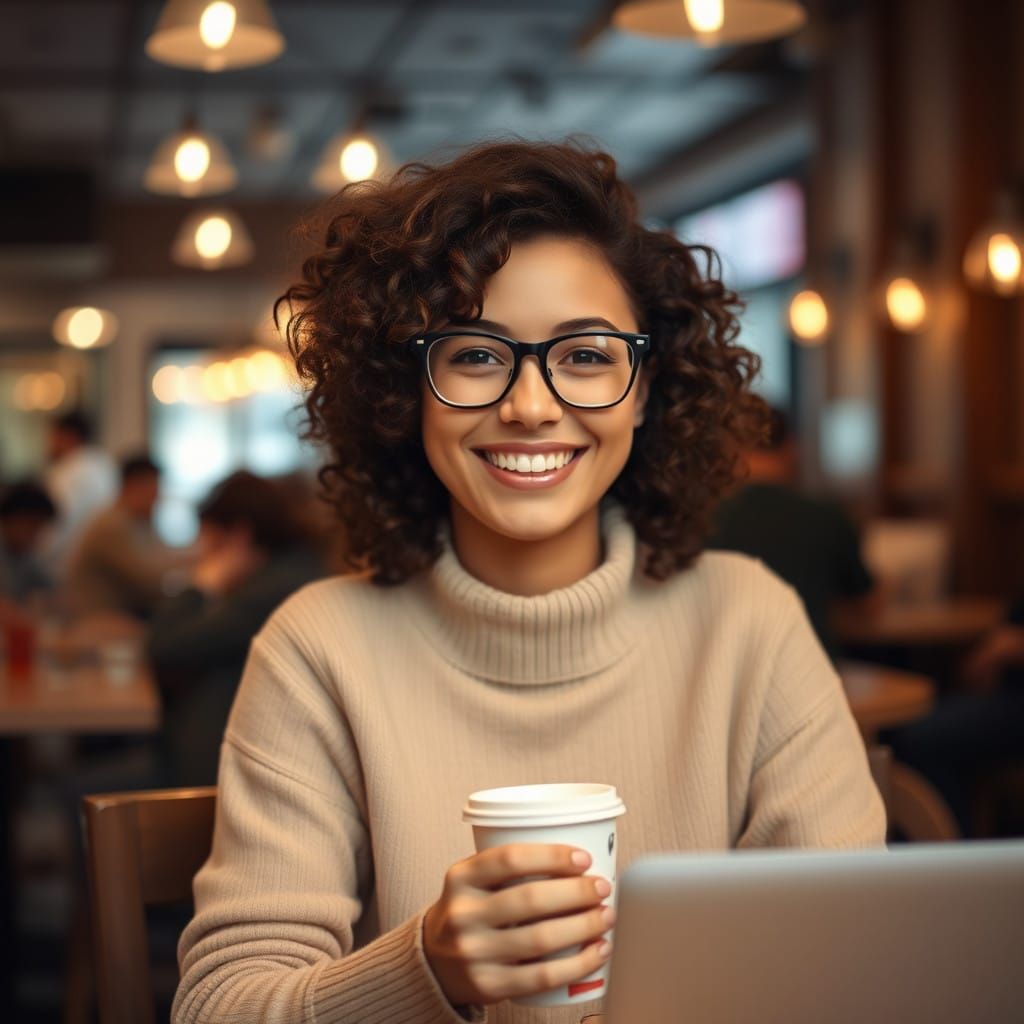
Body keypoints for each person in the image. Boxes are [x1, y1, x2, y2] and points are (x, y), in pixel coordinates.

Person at [173, 141, 884, 1024]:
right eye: (475, 355)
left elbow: (851, 964)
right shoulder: (319, 649)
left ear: (644, 387)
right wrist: (423, 968)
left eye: (586, 355)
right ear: (408, 390)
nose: (532, 406)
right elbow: (221, 1006)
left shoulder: (751, 624)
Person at [147, 471, 324, 787]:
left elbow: (163, 647)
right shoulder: (291, 573)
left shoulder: (274, 591)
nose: (202, 549)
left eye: (208, 537)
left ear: (238, 535)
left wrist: (201, 584)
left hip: (222, 777)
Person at [709, 406, 878, 657]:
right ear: (792, 447)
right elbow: (866, 604)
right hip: (815, 670)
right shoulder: (827, 516)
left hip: (730, 674)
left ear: (733, 449)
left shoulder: (703, 520)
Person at [887, 596, 1024, 835]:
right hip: (1003, 689)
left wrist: (1006, 648)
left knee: (921, 737)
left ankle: (955, 849)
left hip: (1014, 697)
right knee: (915, 730)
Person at [66, 454, 180, 620]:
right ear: (134, 486)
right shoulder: (112, 525)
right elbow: (147, 578)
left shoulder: (140, 520)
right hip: (100, 623)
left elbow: (161, 556)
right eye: (154, 490)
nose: (158, 498)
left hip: (125, 615)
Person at [43, 411, 117, 572]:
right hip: (103, 560)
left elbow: (56, 524)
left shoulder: (67, 472)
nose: (49, 444)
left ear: (68, 436)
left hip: (68, 564)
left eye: (53, 437)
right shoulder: (104, 464)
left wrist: (39, 557)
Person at [0, 481, 56, 604]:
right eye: (33, 525)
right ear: (12, 519)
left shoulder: (26, 556)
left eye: (41, 528)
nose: (37, 535)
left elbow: (52, 587)